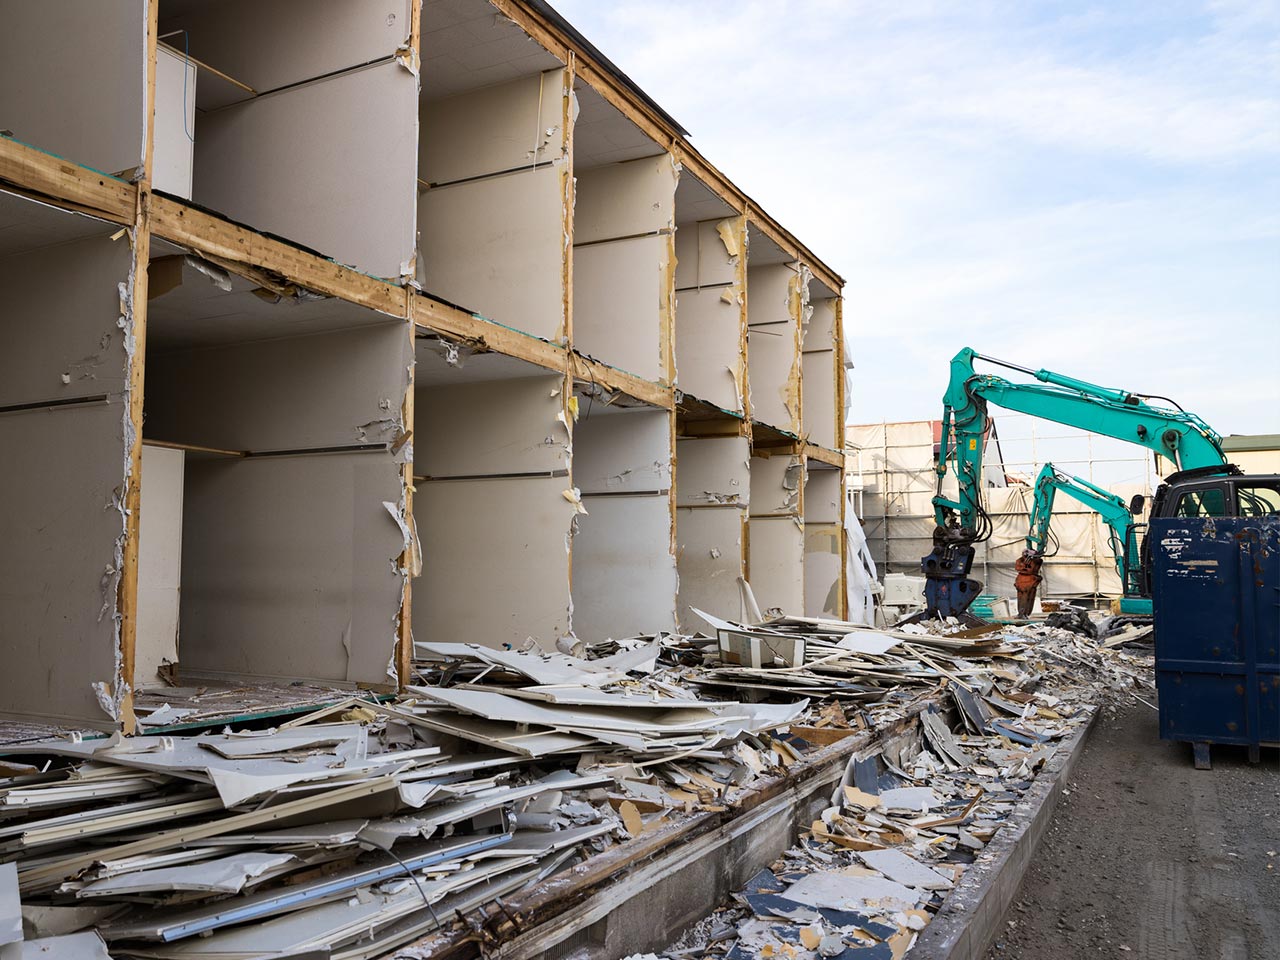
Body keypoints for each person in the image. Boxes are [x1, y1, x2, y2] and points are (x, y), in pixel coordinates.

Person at [1014, 550, 1044, 619]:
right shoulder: (1020, 560)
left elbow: (1034, 567)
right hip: (1024, 582)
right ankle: (1022, 613)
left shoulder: (1035, 561)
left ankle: (1024, 613)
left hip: (1029, 582)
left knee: (1028, 598)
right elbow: (1019, 567)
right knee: (1023, 598)